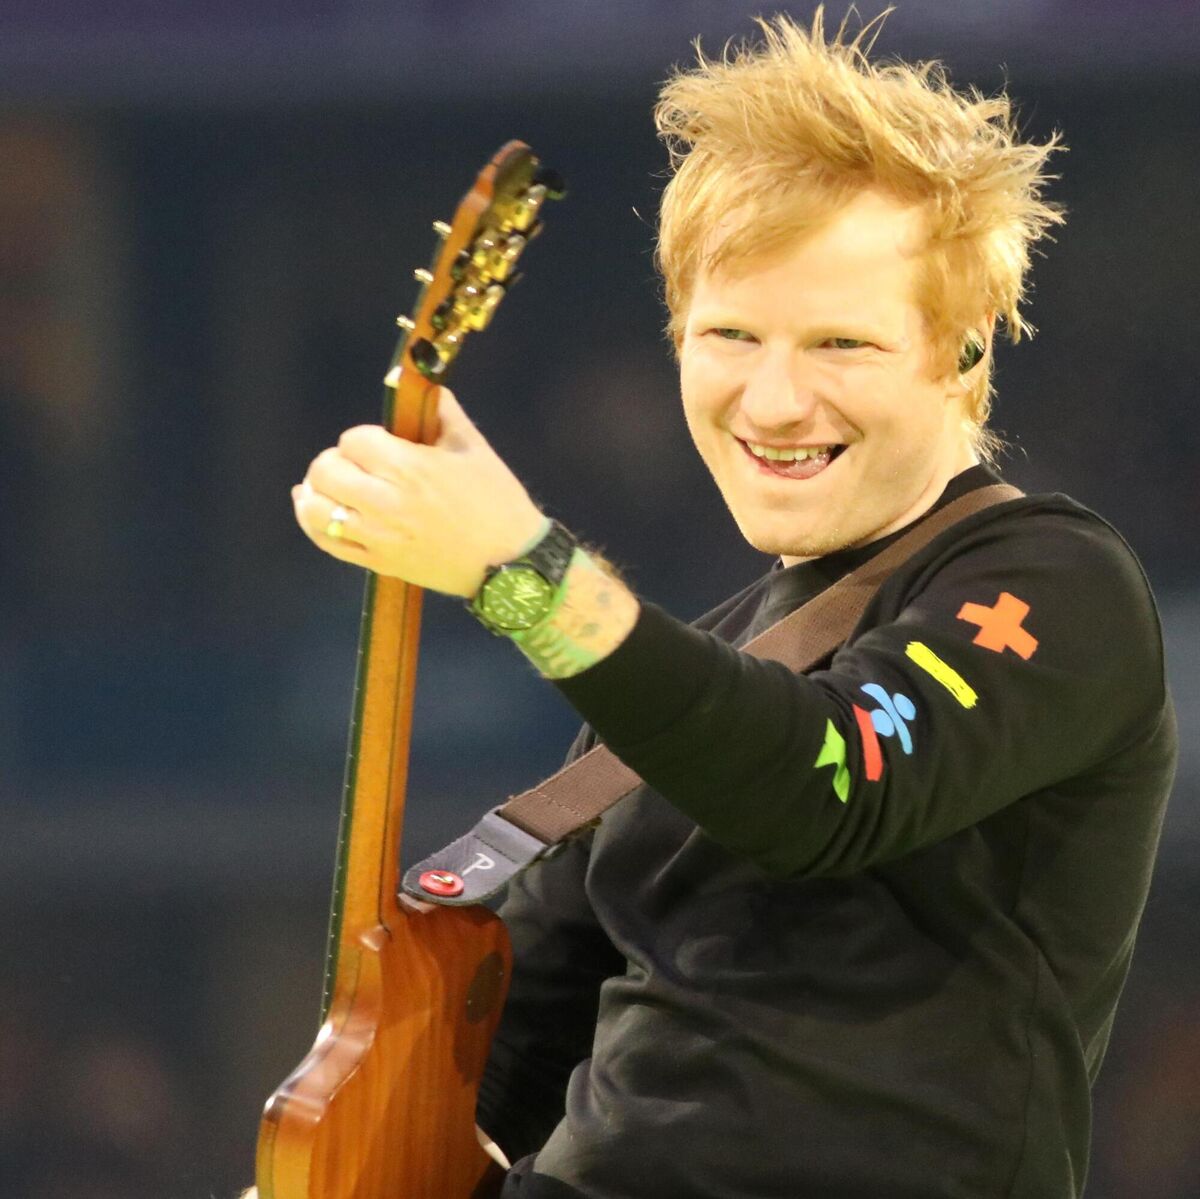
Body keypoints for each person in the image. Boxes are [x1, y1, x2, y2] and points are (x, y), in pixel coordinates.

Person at [289, 10, 1177, 1197]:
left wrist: (521, 568)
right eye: (731, 334)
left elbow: (831, 781)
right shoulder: (674, 695)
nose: (774, 397)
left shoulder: (1058, 587)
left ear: (964, 354)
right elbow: (488, 1086)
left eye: (843, 343)